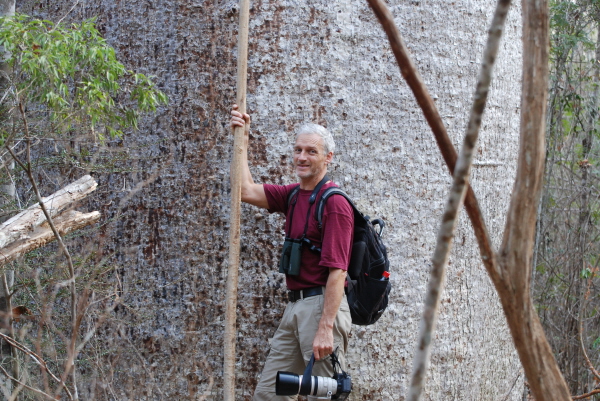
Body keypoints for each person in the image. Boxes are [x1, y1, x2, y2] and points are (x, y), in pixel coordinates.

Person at [230, 104, 354, 400]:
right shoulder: (293, 196)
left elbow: (338, 271)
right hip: (295, 308)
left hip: (322, 307)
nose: (302, 157)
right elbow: (245, 190)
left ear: (328, 157)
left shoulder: (334, 203)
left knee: (323, 396)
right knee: (270, 393)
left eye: (311, 151)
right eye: (298, 150)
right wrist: (242, 138)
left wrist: (325, 329)